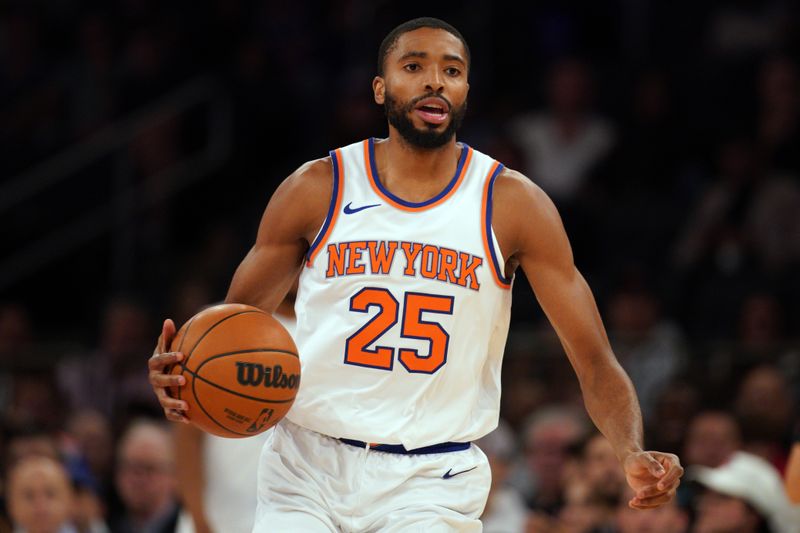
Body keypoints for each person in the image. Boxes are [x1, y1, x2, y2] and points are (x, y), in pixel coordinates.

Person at [148, 17, 683, 531]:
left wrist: (630, 448)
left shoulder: (512, 204)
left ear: (465, 90)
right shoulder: (318, 188)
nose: (434, 80)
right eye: (414, 66)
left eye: (451, 70)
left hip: (432, 477)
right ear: (380, 89)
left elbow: (593, 359)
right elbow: (232, 328)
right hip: (305, 464)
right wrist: (182, 376)